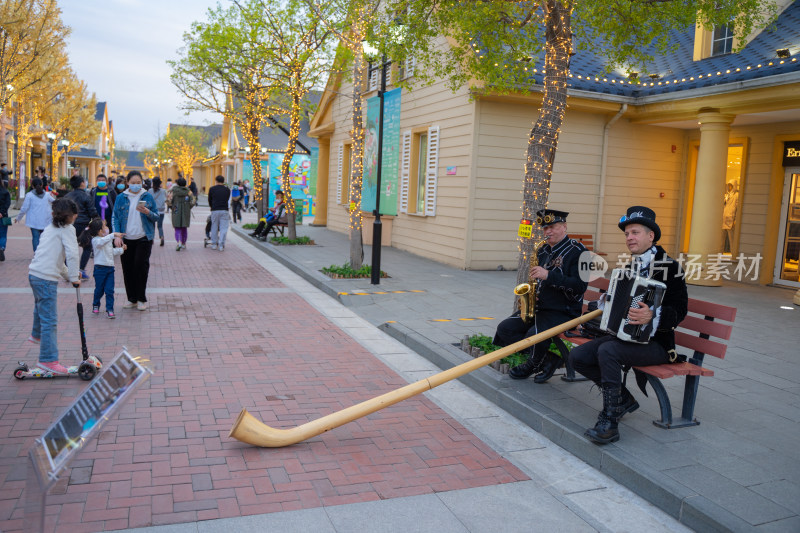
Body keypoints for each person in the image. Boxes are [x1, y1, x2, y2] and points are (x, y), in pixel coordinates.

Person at [569, 206, 688, 445]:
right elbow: (620, 298)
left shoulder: (670, 266)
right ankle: (622, 399)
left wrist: (653, 315)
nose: (629, 238)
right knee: (578, 357)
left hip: (657, 344)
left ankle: (610, 421)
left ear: (650, 236)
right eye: (627, 234)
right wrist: (606, 300)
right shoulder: (630, 265)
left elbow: (680, 310)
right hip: (625, 337)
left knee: (607, 350)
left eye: (635, 232)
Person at [493, 209, 588, 382]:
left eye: (552, 227)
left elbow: (580, 286)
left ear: (564, 227)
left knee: (533, 334)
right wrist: (533, 295)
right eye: (545, 229)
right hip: (541, 307)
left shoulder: (580, 252)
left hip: (564, 310)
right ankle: (549, 360)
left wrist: (548, 275)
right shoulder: (543, 250)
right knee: (505, 329)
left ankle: (534, 363)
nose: (548, 232)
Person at [27, 198, 81, 375]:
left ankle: (36, 334)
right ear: (72, 216)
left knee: (40, 307)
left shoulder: (51, 228)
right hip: (45, 278)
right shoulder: (68, 229)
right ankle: (48, 360)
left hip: (35, 274)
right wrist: (74, 277)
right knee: (50, 319)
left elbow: (56, 259)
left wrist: (68, 275)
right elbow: (72, 254)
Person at [112, 171, 159, 311]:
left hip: (144, 238)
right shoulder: (121, 197)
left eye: (138, 182)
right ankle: (131, 298)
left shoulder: (147, 196)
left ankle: (141, 298)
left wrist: (147, 212)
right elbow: (115, 217)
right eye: (133, 183)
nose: (136, 185)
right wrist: (117, 236)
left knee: (140, 266)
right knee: (127, 268)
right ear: (127, 183)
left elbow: (156, 217)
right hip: (126, 238)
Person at [80, 217, 125, 319]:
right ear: (100, 231)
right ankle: (96, 304)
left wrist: (121, 250)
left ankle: (110, 309)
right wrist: (113, 235)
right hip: (100, 269)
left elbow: (110, 252)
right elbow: (102, 242)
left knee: (109, 290)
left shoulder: (106, 240)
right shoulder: (96, 241)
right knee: (99, 289)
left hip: (110, 269)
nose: (107, 227)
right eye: (105, 226)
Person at [64, 175, 98, 280]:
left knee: (70, 248)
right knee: (87, 247)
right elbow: (92, 211)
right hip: (83, 225)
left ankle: (68, 271)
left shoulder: (67, 196)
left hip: (69, 224)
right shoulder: (86, 196)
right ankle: (81, 270)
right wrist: (97, 220)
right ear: (82, 183)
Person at [15, 178, 56, 252]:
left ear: (32, 186)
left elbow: (24, 208)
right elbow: (55, 202)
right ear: (42, 185)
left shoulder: (29, 195)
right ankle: (44, 253)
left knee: (35, 238)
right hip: (45, 220)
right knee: (44, 238)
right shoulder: (47, 195)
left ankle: (37, 254)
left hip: (33, 221)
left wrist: (18, 218)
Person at [167, 177, 195, 250]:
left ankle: (178, 242)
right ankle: (183, 243)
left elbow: (169, 201)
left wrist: (172, 207)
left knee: (177, 227)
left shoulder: (173, 191)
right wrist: (188, 207)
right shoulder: (189, 192)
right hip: (186, 210)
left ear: (177, 183)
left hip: (176, 210)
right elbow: (193, 201)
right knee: (184, 228)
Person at [207, 175, 231, 251]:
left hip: (215, 209)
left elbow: (209, 199)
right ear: (223, 181)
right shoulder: (227, 190)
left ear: (216, 181)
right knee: (223, 228)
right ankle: (221, 245)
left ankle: (214, 244)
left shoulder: (212, 189)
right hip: (224, 210)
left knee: (214, 226)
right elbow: (227, 199)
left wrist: (212, 206)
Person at [150, 177, 167, 247]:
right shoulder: (163, 191)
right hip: (161, 211)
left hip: (153, 211)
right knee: (160, 226)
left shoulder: (150, 191)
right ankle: (161, 237)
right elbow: (165, 199)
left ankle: (152, 239)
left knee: (152, 226)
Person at [722, 181, 738, 254]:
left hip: (731, 219)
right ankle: (719, 253)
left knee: (732, 239)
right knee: (721, 238)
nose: (729, 187)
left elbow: (737, 208)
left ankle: (733, 253)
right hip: (723, 218)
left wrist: (735, 219)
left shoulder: (736, 195)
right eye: (728, 186)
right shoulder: (726, 195)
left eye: (731, 186)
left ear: (734, 186)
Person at [0, 179, 10, 262]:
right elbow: (8, 204)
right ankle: (2, 248)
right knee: (3, 234)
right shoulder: (5, 192)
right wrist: (2, 212)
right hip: (4, 216)